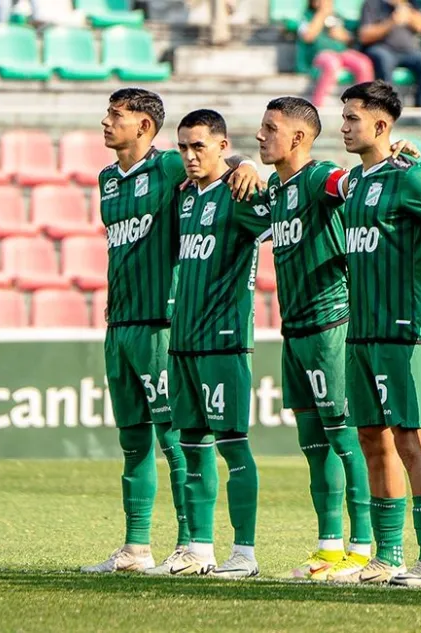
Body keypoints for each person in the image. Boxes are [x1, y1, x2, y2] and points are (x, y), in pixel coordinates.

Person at [83, 89, 259, 576]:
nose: (105, 122)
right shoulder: (107, 180)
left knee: (176, 438)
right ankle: (135, 547)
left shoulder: (168, 168)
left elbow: (216, 159)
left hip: (163, 325)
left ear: (143, 126)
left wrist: (246, 163)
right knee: (132, 441)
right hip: (120, 325)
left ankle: (190, 544)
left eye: (115, 115)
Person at [335, 80, 421, 586]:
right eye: (343, 118)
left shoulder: (411, 176)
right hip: (360, 331)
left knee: (411, 440)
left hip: (402, 333)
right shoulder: (356, 183)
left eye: (352, 119)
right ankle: (388, 555)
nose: (343, 127)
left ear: (382, 125)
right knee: (371, 440)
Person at [255, 96, 374, 581]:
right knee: (313, 443)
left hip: (331, 326)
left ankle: (364, 547)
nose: (261, 136)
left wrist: (390, 160)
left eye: (269, 129)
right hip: (295, 329)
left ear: (299, 137)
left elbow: (355, 182)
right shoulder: (274, 187)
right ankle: (328, 547)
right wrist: (240, 163)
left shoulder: (319, 176)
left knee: (346, 438)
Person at [164, 109, 272, 578]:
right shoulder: (185, 197)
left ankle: (244, 553)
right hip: (183, 338)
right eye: (183, 147)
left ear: (222, 146)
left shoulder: (241, 192)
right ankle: (198, 549)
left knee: (232, 444)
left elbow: (283, 232)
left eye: (199, 147)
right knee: (191, 444)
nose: (189, 156)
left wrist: (251, 167)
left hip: (224, 339)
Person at [358, 0, 421, 107]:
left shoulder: (410, 4)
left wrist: (408, 14)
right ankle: (387, 108)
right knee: (384, 60)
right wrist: (391, 22)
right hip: (382, 49)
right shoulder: (372, 3)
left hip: (409, 51)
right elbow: (365, 36)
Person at [296, 0, 375, 107]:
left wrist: (342, 36)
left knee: (363, 63)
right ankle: (318, 105)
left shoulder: (336, 17)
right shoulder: (307, 16)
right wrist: (322, 14)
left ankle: (364, 105)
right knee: (332, 63)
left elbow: (349, 38)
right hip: (320, 55)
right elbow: (308, 36)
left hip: (341, 53)